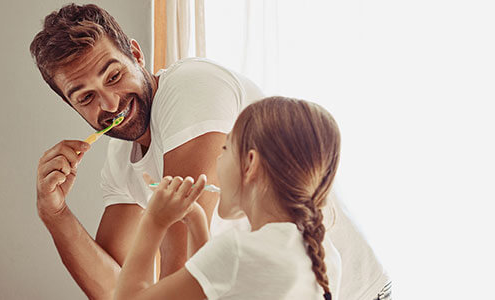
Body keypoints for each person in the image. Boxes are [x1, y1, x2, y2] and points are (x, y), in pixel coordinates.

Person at [30, 3, 389, 299]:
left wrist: (156, 221)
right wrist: (55, 213)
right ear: (71, 105)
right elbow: (113, 290)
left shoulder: (189, 89)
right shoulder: (121, 160)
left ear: (136, 55)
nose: (110, 103)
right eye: (86, 97)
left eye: (113, 76)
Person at [115, 96, 342, 299]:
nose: (218, 160)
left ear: (250, 163)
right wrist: (196, 220)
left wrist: (155, 221)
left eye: (225, 148)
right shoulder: (325, 256)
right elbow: (213, 290)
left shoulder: (238, 252)